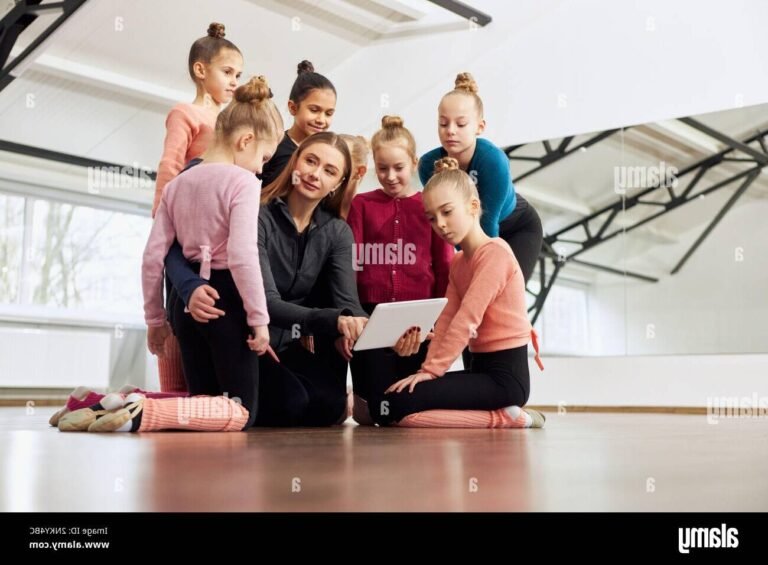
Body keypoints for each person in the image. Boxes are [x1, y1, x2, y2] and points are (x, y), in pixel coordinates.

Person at [57, 76, 283, 432]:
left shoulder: (177, 184)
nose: (259, 168)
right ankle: (142, 415)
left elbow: (152, 258)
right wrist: (259, 319)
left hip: (184, 305)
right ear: (246, 140)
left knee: (200, 401)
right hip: (227, 301)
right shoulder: (243, 183)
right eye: (263, 157)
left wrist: (155, 320)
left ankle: (103, 403)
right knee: (241, 412)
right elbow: (242, 256)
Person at [364, 157, 545, 429]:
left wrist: (431, 372)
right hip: (480, 372)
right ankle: (501, 415)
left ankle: (507, 417)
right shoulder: (459, 263)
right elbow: (447, 320)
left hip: (506, 379)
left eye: (447, 212)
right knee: (385, 405)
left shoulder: (495, 254)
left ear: (473, 206)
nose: (440, 225)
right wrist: (427, 372)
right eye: (432, 218)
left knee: (397, 406)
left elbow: (466, 319)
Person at [152, 22, 244, 394]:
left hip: (217, 229)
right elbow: (170, 164)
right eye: (227, 72)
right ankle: (178, 392)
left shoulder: (229, 121)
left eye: (239, 74)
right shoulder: (185, 114)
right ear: (200, 70)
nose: (235, 81)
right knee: (181, 305)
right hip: (184, 225)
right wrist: (162, 221)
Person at [345, 116, 454, 422]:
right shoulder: (361, 205)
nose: (390, 176)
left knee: (406, 402)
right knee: (376, 413)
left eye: (398, 168)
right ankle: (357, 401)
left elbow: (444, 265)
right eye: (382, 168)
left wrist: (436, 324)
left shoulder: (427, 206)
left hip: (418, 319)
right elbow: (350, 264)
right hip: (370, 317)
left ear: (414, 163)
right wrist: (353, 315)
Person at [259, 60, 337, 187]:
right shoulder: (273, 146)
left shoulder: (325, 154)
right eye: (314, 110)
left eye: (328, 113)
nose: (321, 120)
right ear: (293, 107)